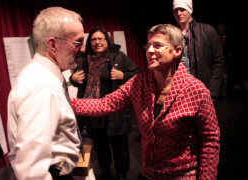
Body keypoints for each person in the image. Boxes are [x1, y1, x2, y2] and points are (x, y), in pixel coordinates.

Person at [71, 24, 220, 179]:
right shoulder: (139, 83)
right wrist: (64, 101)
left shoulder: (196, 90)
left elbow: (210, 140)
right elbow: (104, 104)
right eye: (148, 45)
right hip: (148, 174)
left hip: (182, 176)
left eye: (157, 45)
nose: (149, 50)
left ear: (177, 51)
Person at [7, 7, 85, 180]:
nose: (83, 48)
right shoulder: (42, 86)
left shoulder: (47, 77)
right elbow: (30, 172)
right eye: (78, 42)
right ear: (53, 45)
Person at [70, 26, 139, 180]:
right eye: (94, 39)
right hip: (92, 115)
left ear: (107, 41)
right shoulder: (83, 60)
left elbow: (137, 74)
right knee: (100, 147)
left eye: (101, 38)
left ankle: (122, 174)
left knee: (119, 146)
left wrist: (123, 75)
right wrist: (72, 79)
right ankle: (105, 171)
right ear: (89, 43)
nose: (97, 42)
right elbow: (78, 80)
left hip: (114, 112)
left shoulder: (118, 57)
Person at [172, 0, 224, 102]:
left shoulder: (208, 31)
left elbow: (218, 62)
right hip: (179, 91)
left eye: (182, 9)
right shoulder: (171, 34)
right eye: (175, 11)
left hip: (202, 90)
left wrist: (212, 92)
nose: (178, 13)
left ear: (189, 10)